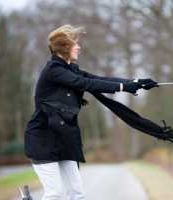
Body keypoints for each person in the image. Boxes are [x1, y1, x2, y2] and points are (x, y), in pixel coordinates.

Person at [23, 24, 159, 200]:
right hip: (43, 139)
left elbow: (98, 79)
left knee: (76, 194)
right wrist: (124, 86)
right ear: (64, 47)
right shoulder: (54, 71)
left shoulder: (71, 69)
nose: (78, 47)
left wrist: (135, 81)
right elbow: (86, 84)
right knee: (55, 194)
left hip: (65, 138)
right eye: (75, 44)